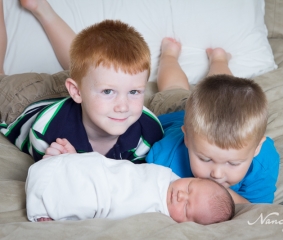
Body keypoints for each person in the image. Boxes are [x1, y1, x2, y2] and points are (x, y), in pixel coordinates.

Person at [0, 17, 163, 162]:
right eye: (108, 91)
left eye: (134, 92)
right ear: (77, 92)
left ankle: (39, 7)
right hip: (24, 98)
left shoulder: (149, 133)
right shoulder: (48, 133)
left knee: (87, 71)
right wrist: (69, 164)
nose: (123, 107)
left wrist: (78, 163)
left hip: (79, 95)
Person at [146, 38, 280, 204]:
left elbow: (256, 210)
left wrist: (219, 193)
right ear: (186, 137)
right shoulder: (163, 158)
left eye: (233, 163)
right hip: (174, 110)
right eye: (205, 159)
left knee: (223, 88)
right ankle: (169, 55)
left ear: (257, 147)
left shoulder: (264, 162)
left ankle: (219, 59)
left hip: (209, 113)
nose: (216, 174)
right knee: (173, 88)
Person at [26, 151, 235, 225]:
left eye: (187, 207)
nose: (181, 195)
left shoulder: (159, 217)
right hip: (101, 173)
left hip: (105, 200)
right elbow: (123, 172)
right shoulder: (164, 176)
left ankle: (45, 207)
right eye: (189, 186)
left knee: (83, 200)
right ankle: (55, 172)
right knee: (87, 173)